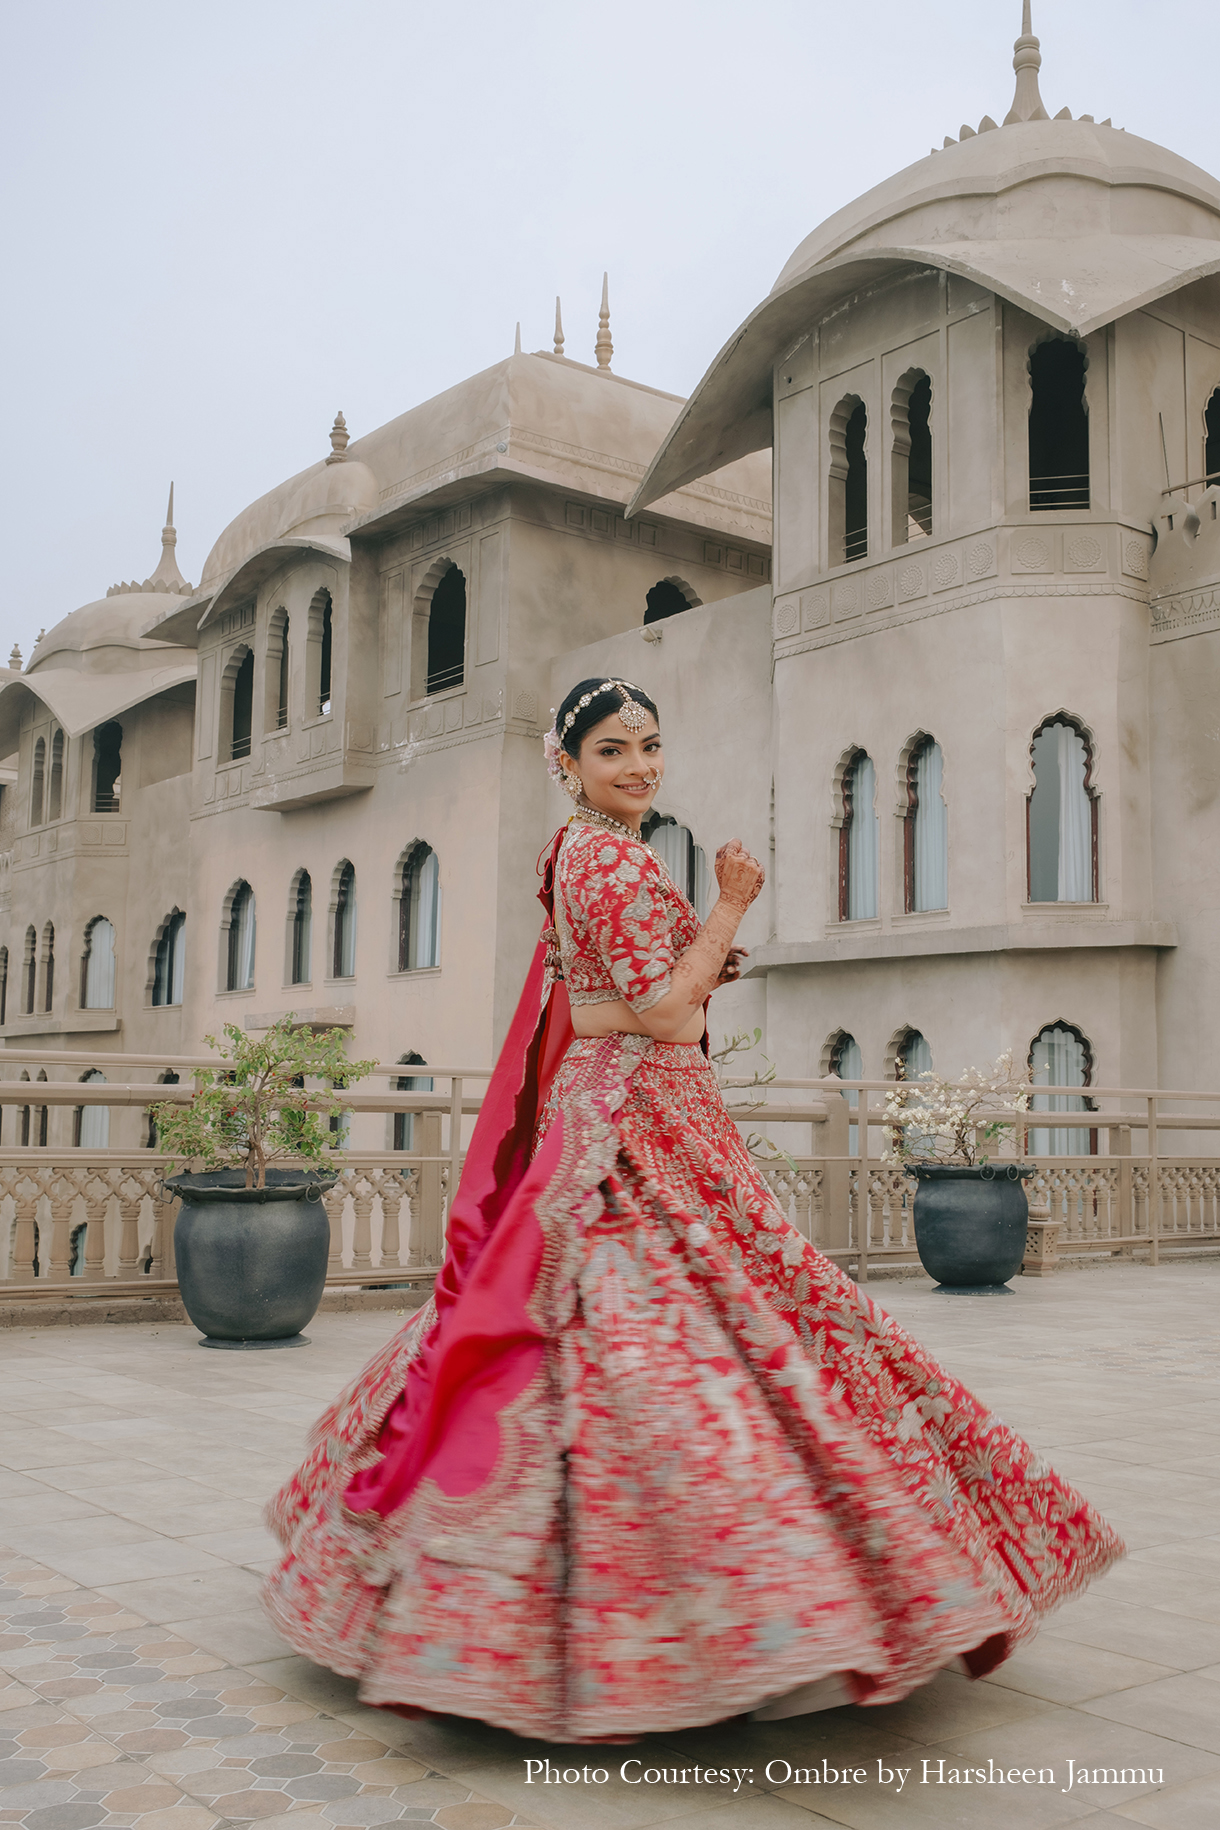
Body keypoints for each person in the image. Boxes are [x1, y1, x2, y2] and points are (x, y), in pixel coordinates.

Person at [264, 674, 1122, 1742]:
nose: (639, 767)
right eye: (613, 751)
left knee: (603, 1323)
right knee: (688, 1331)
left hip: (609, 1106)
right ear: (566, 763)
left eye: (649, 747)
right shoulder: (615, 861)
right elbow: (668, 1015)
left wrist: (663, 976)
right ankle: (753, 1618)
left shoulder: (567, 854)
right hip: (636, 1127)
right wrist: (726, 902)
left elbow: (590, 999)